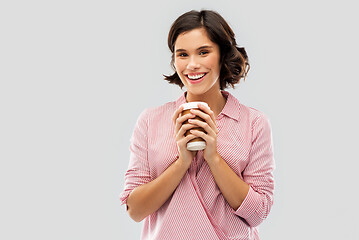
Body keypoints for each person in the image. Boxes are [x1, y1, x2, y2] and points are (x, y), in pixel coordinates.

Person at [119, 9, 275, 240]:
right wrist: (182, 162)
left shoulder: (253, 123)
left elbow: (259, 212)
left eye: (203, 52)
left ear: (223, 54)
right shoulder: (151, 121)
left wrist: (214, 157)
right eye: (182, 54)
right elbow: (135, 210)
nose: (192, 64)